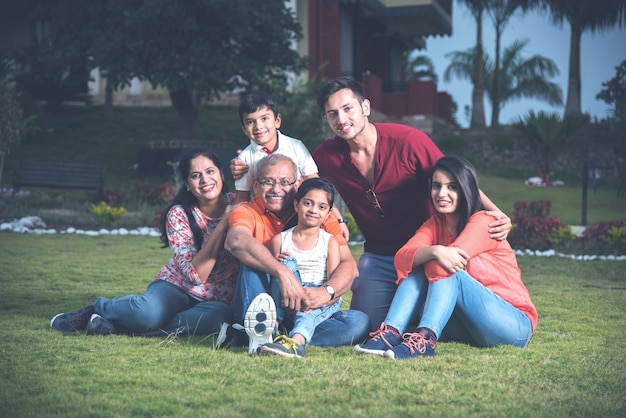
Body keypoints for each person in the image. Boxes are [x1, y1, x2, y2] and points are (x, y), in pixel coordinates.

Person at [311, 76, 512, 330]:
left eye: (347, 109)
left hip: (426, 251)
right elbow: (306, 186)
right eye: (332, 114)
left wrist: (497, 213)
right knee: (365, 327)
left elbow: (457, 179)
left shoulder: (409, 141)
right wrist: (335, 217)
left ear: (365, 108)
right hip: (380, 254)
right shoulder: (326, 155)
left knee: (441, 320)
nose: (341, 120)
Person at [353, 156, 537, 359]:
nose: (442, 194)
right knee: (420, 262)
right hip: (471, 328)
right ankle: (390, 333)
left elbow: (444, 268)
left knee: (444, 267)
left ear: (466, 190)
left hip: (513, 326)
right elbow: (401, 258)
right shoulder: (435, 224)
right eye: (436, 186)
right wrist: (434, 251)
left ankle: (425, 340)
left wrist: (431, 253)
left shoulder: (485, 222)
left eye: (452, 187)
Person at [50, 148, 240, 338]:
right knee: (147, 314)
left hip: (215, 299)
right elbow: (194, 275)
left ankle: (123, 329)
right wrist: (222, 225)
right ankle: (97, 309)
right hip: (176, 287)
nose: (205, 180)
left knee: (220, 319)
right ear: (188, 185)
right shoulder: (179, 214)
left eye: (210, 171)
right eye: (195, 175)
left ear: (222, 174)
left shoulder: (239, 205)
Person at [224, 153, 369, 355]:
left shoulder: (317, 214)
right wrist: (283, 273)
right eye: (268, 182)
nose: (276, 190)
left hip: (309, 304)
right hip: (268, 301)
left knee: (358, 322)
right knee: (255, 256)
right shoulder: (246, 211)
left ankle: (274, 336)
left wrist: (324, 292)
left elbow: (349, 267)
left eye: (284, 182)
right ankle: (267, 328)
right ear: (255, 185)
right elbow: (236, 241)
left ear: (297, 183)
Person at [232, 91, 349, 239]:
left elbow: (318, 186)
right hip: (266, 221)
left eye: (264, 118)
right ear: (243, 128)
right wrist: (233, 228)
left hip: (298, 216)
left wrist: (339, 219)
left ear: (277, 120)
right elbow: (241, 198)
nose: (258, 126)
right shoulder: (244, 159)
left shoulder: (296, 146)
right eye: (250, 122)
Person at [258, 177, 343, 358]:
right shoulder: (280, 240)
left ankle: (296, 342)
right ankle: (273, 324)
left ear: (328, 214)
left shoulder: (329, 242)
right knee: (285, 263)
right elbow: (276, 282)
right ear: (296, 205)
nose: (313, 210)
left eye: (321, 207)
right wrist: (281, 264)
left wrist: (317, 299)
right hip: (287, 297)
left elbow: (335, 285)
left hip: (318, 297)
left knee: (356, 321)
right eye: (308, 203)